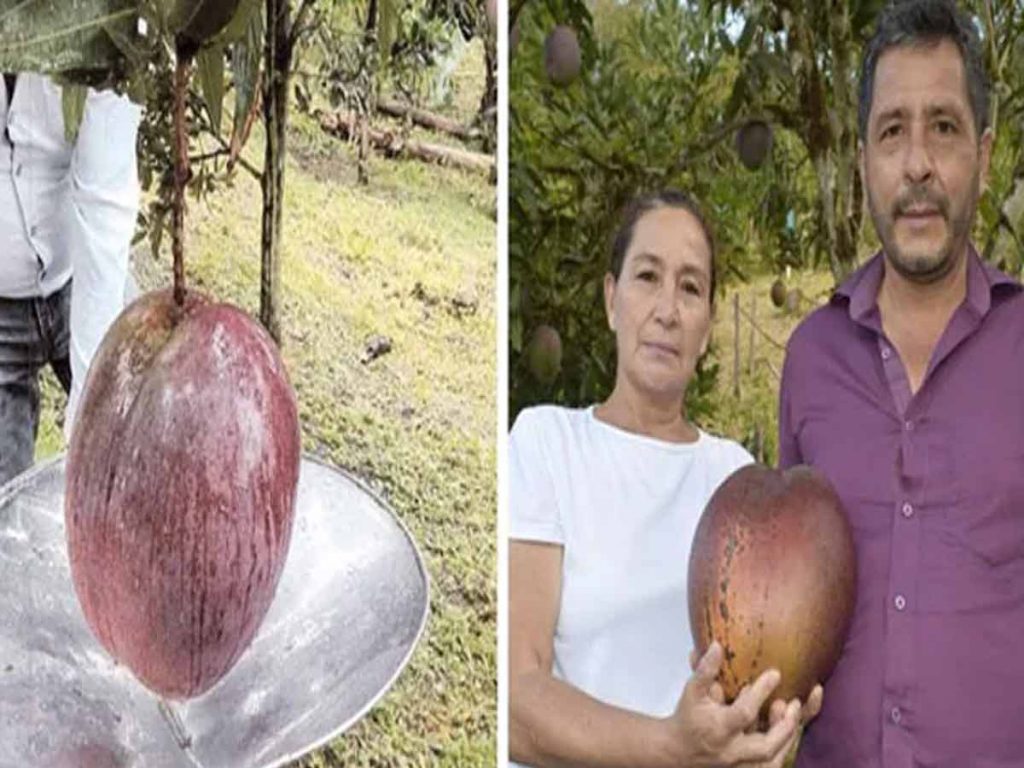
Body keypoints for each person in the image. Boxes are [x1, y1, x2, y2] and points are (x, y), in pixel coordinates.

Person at [778, 1, 1024, 764]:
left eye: (943, 128)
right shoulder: (810, 358)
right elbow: (782, 589)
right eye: (893, 132)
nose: (917, 163)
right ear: (864, 162)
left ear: (983, 157)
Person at [510, 190, 821, 768]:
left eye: (690, 287)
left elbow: (756, 684)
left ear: (706, 328)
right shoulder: (546, 444)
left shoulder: (737, 482)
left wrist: (770, 735)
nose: (667, 310)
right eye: (647, 277)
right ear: (611, 300)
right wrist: (669, 748)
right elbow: (515, 697)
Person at [0, 72, 141, 486]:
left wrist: (90, 418)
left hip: (78, 275)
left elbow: (105, 203)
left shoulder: (102, 26)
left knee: (136, 452)